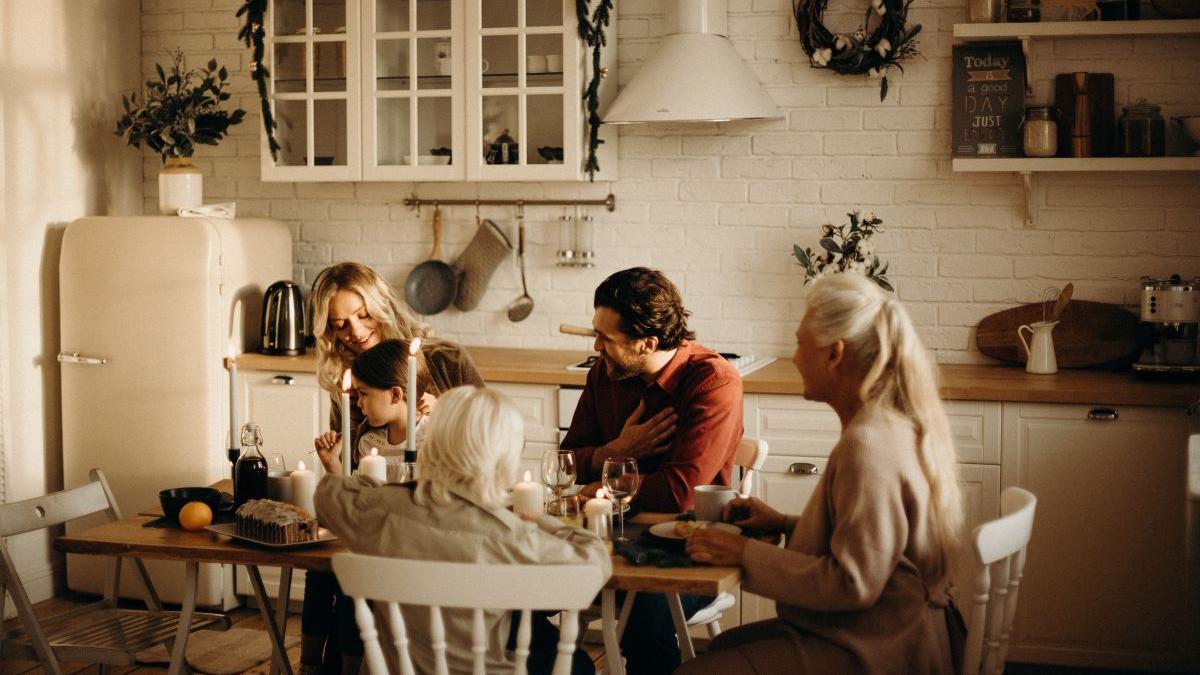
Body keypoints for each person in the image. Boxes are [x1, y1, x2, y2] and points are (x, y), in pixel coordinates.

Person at [680, 272, 966, 674]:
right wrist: (783, 523)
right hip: (891, 630)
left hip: (885, 648)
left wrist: (744, 552)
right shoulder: (891, 423)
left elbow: (852, 583)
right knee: (722, 646)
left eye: (799, 342)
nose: (794, 356)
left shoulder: (868, 443)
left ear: (834, 353)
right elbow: (876, 546)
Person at [315, 386, 612, 675]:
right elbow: (595, 560)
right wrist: (534, 518)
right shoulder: (513, 533)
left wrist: (405, 490)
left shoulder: (383, 511)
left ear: (432, 442)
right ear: (503, 456)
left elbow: (329, 492)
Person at [560, 266, 744, 674]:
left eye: (606, 339)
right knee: (521, 589)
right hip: (605, 541)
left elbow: (681, 492)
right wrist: (617, 450)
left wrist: (603, 483)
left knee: (645, 617)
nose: (596, 346)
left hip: (687, 548)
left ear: (648, 343)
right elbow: (568, 460)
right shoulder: (604, 374)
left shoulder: (713, 382)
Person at [303, 262, 484, 674]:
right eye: (339, 324)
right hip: (377, 524)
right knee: (327, 568)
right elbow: (354, 476)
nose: (355, 331)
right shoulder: (347, 384)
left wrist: (451, 414)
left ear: (381, 305)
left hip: (440, 525)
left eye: (362, 315)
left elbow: (489, 440)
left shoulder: (445, 361)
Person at [314, 339, 437, 481]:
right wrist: (331, 462)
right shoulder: (369, 442)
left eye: (364, 393)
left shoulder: (434, 439)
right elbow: (358, 496)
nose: (359, 403)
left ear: (396, 394)